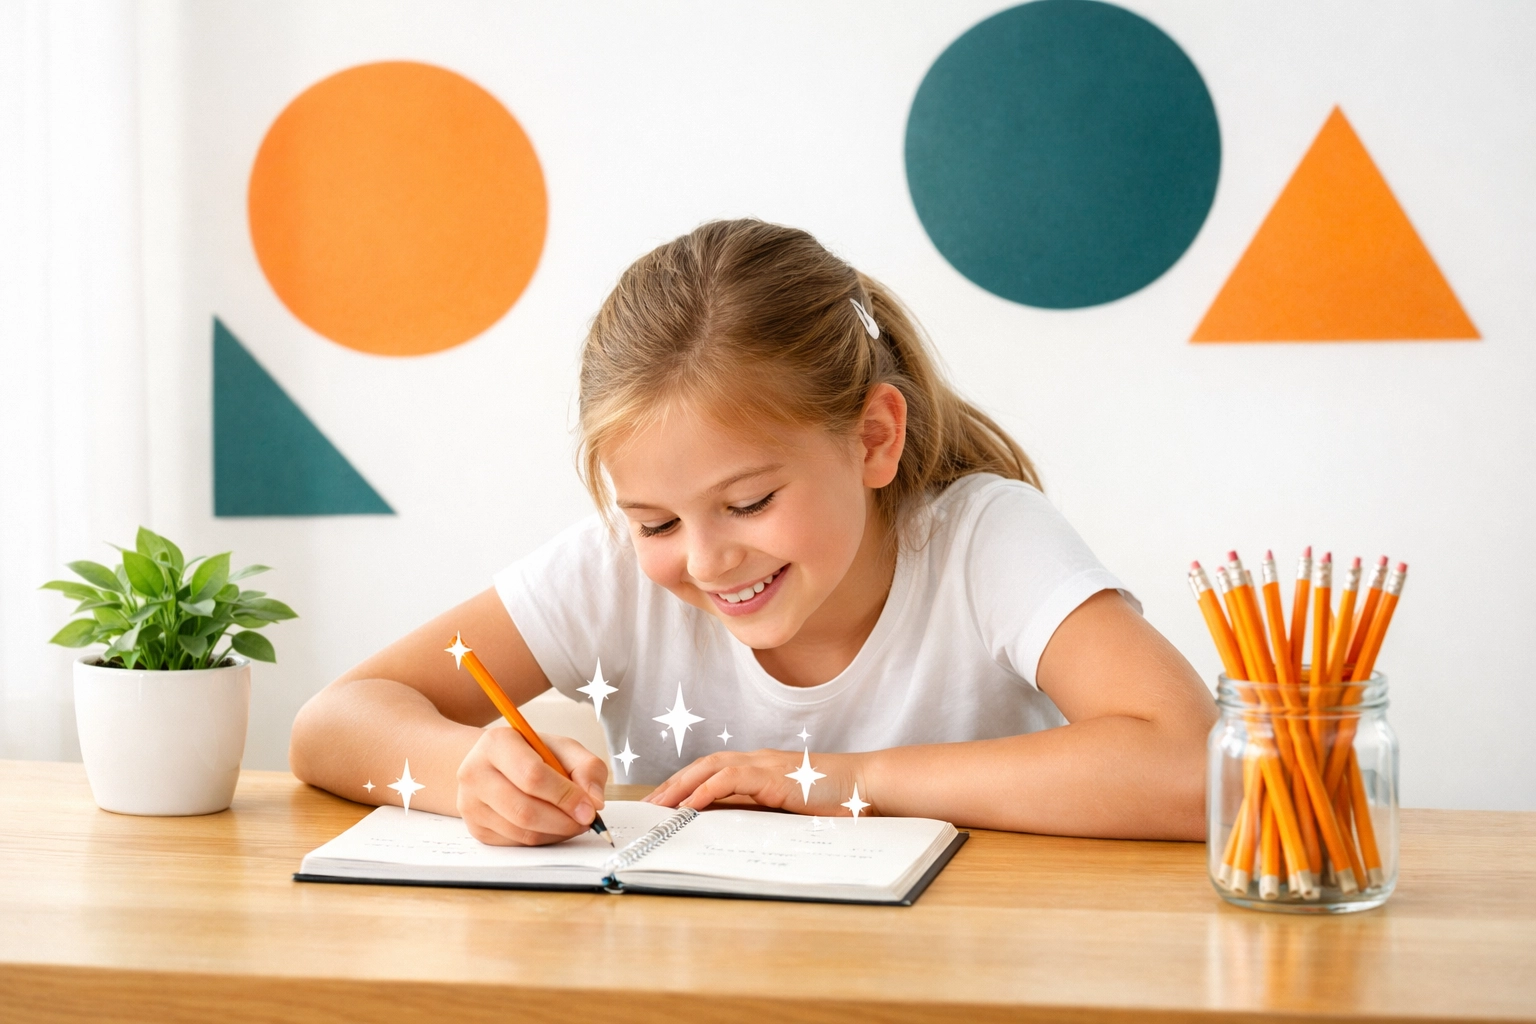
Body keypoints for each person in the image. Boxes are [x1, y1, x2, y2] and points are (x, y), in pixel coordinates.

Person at [289, 219, 1216, 846]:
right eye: (656, 520)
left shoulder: (983, 543)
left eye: (749, 503)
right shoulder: (615, 574)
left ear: (873, 439)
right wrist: (468, 770)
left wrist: (840, 780)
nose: (706, 560)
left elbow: (1197, 768)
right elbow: (334, 721)